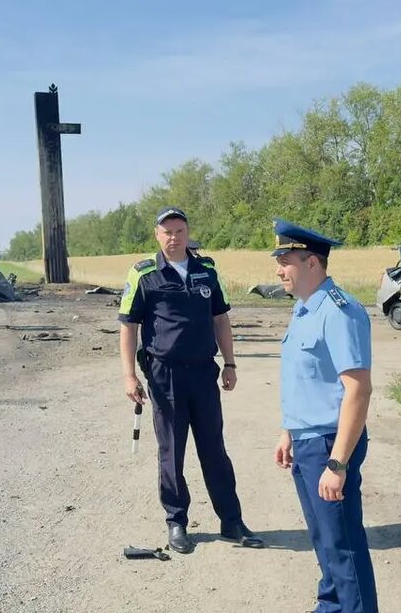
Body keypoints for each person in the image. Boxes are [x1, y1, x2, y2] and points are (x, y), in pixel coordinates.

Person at [118, 206, 263, 553]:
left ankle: (232, 521)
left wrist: (230, 363)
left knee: (214, 449)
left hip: (202, 373)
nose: (173, 237)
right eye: (167, 231)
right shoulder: (144, 274)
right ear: (157, 234)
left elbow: (221, 319)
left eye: (179, 231)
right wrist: (129, 375)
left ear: (187, 232)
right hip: (164, 376)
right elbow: (128, 326)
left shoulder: (207, 270)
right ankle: (176, 522)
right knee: (172, 453)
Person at [270, 218, 377, 613]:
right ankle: (331, 607)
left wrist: (338, 462)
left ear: (312, 263)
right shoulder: (304, 310)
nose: (279, 269)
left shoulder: (339, 311)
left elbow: (358, 389)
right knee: (324, 540)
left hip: (331, 444)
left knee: (344, 545)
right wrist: (289, 431)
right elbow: (306, 381)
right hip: (306, 440)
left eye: (286, 260)